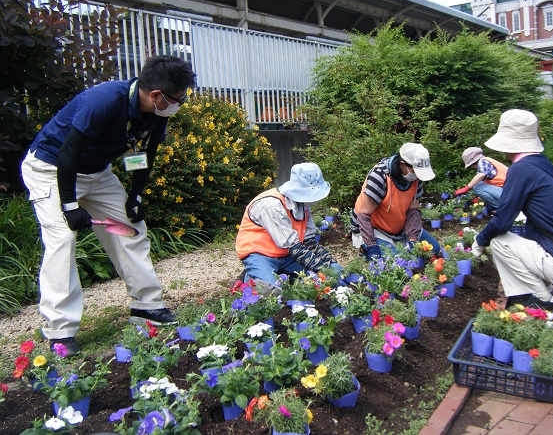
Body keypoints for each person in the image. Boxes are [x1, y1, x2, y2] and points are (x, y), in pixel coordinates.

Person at [21, 55, 196, 354]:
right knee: (62, 240)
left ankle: (146, 306)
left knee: (131, 230)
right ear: (156, 95)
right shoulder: (103, 100)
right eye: (177, 100)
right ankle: (60, 330)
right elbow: (68, 153)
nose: (179, 105)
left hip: (97, 173)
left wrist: (135, 196)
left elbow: (145, 156)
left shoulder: (155, 114)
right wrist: (69, 206)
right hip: (51, 169)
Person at [471, 109, 553, 312]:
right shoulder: (542, 166)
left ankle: (543, 299)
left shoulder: (521, 170)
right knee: (525, 236)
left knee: (499, 241)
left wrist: (480, 241)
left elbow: (502, 221)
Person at [235, 162, 343, 297]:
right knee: (269, 291)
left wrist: (330, 262)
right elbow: (294, 247)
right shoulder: (271, 205)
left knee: (311, 282)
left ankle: (274, 272)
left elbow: (309, 241)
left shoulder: (302, 205)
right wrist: (323, 269)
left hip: (285, 254)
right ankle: (250, 276)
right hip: (259, 253)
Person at [350, 143, 441, 260]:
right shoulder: (380, 176)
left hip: (398, 226)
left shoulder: (416, 177)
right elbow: (363, 216)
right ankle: (366, 249)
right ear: (402, 164)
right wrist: (372, 246)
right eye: (416, 171)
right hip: (374, 228)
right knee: (394, 261)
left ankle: (397, 245)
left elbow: (413, 210)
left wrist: (413, 239)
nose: (418, 176)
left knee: (434, 248)